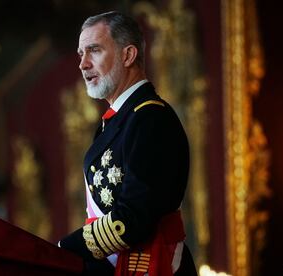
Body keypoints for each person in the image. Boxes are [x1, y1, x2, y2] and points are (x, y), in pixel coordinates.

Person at [59, 11, 197, 276]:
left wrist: (66, 246)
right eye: (80, 54)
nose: (83, 64)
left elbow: (134, 219)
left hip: (150, 264)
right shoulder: (119, 120)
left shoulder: (151, 118)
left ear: (128, 55)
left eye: (94, 51)